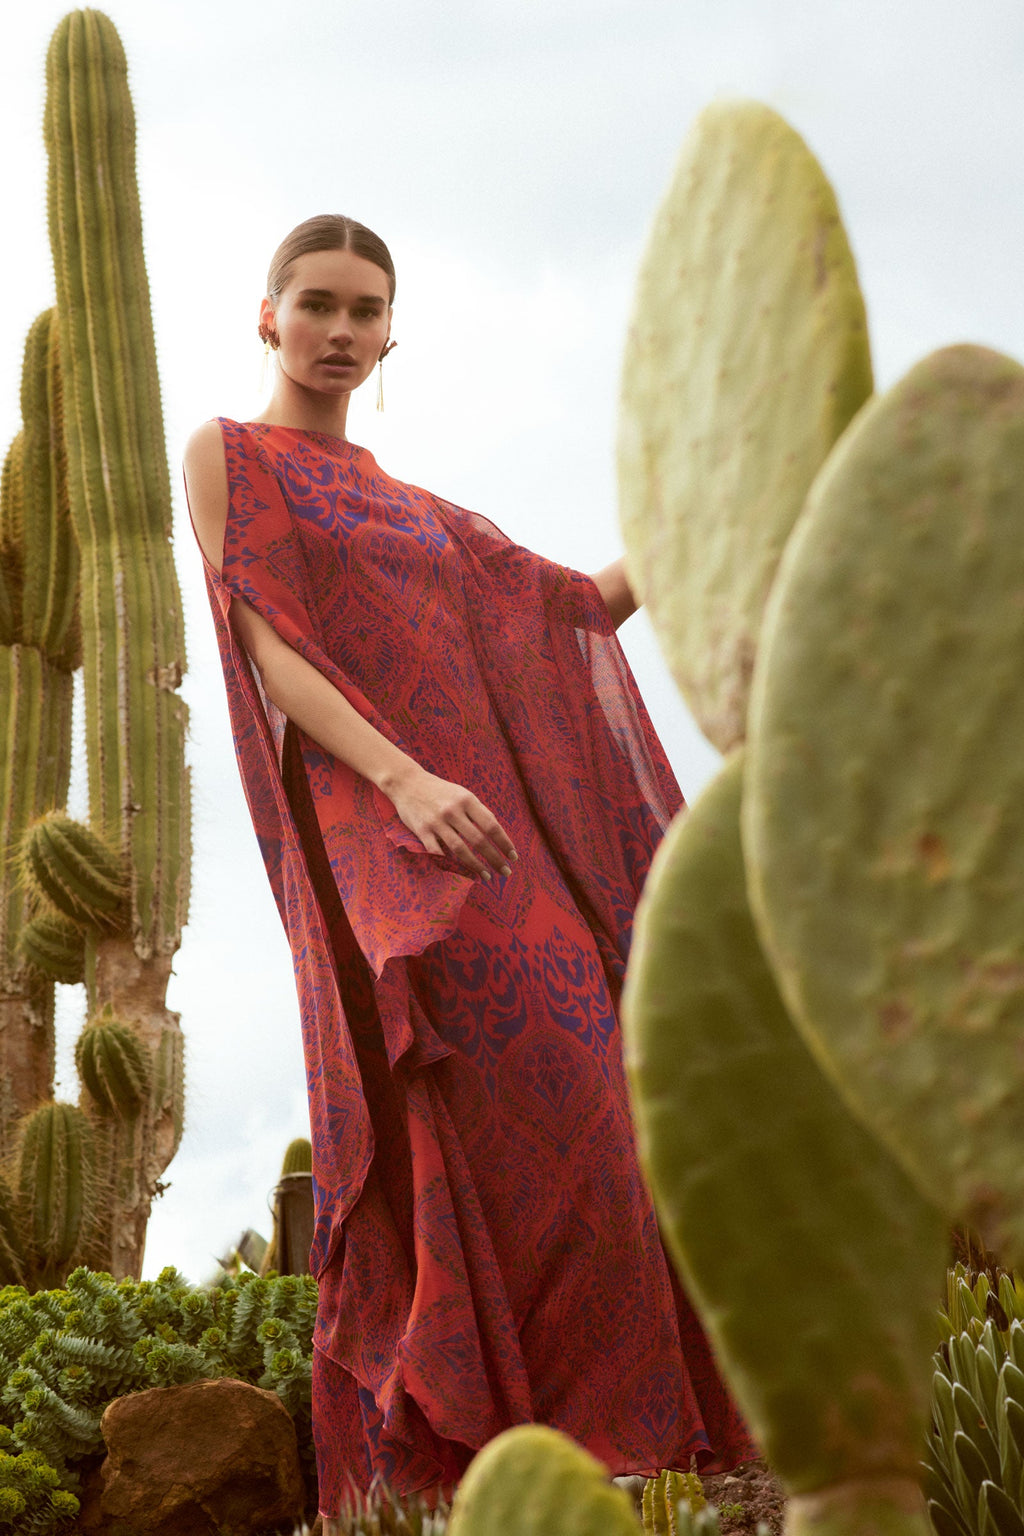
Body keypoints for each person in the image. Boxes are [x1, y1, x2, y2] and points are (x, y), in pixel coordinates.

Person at [183, 214, 754, 1523]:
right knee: (437, 1098)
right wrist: (403, 779)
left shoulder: (417, 508)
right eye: (316, 303)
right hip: (382, 833)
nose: (339, 329)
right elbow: (266, 648)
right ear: (268, 316)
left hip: (501, 844)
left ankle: (617, 1448)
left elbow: (574, 613)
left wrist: (699, 517)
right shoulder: (230, 454)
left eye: (365, 311)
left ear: (391, 337)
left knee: (589, 1096)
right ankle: (459, 1450)